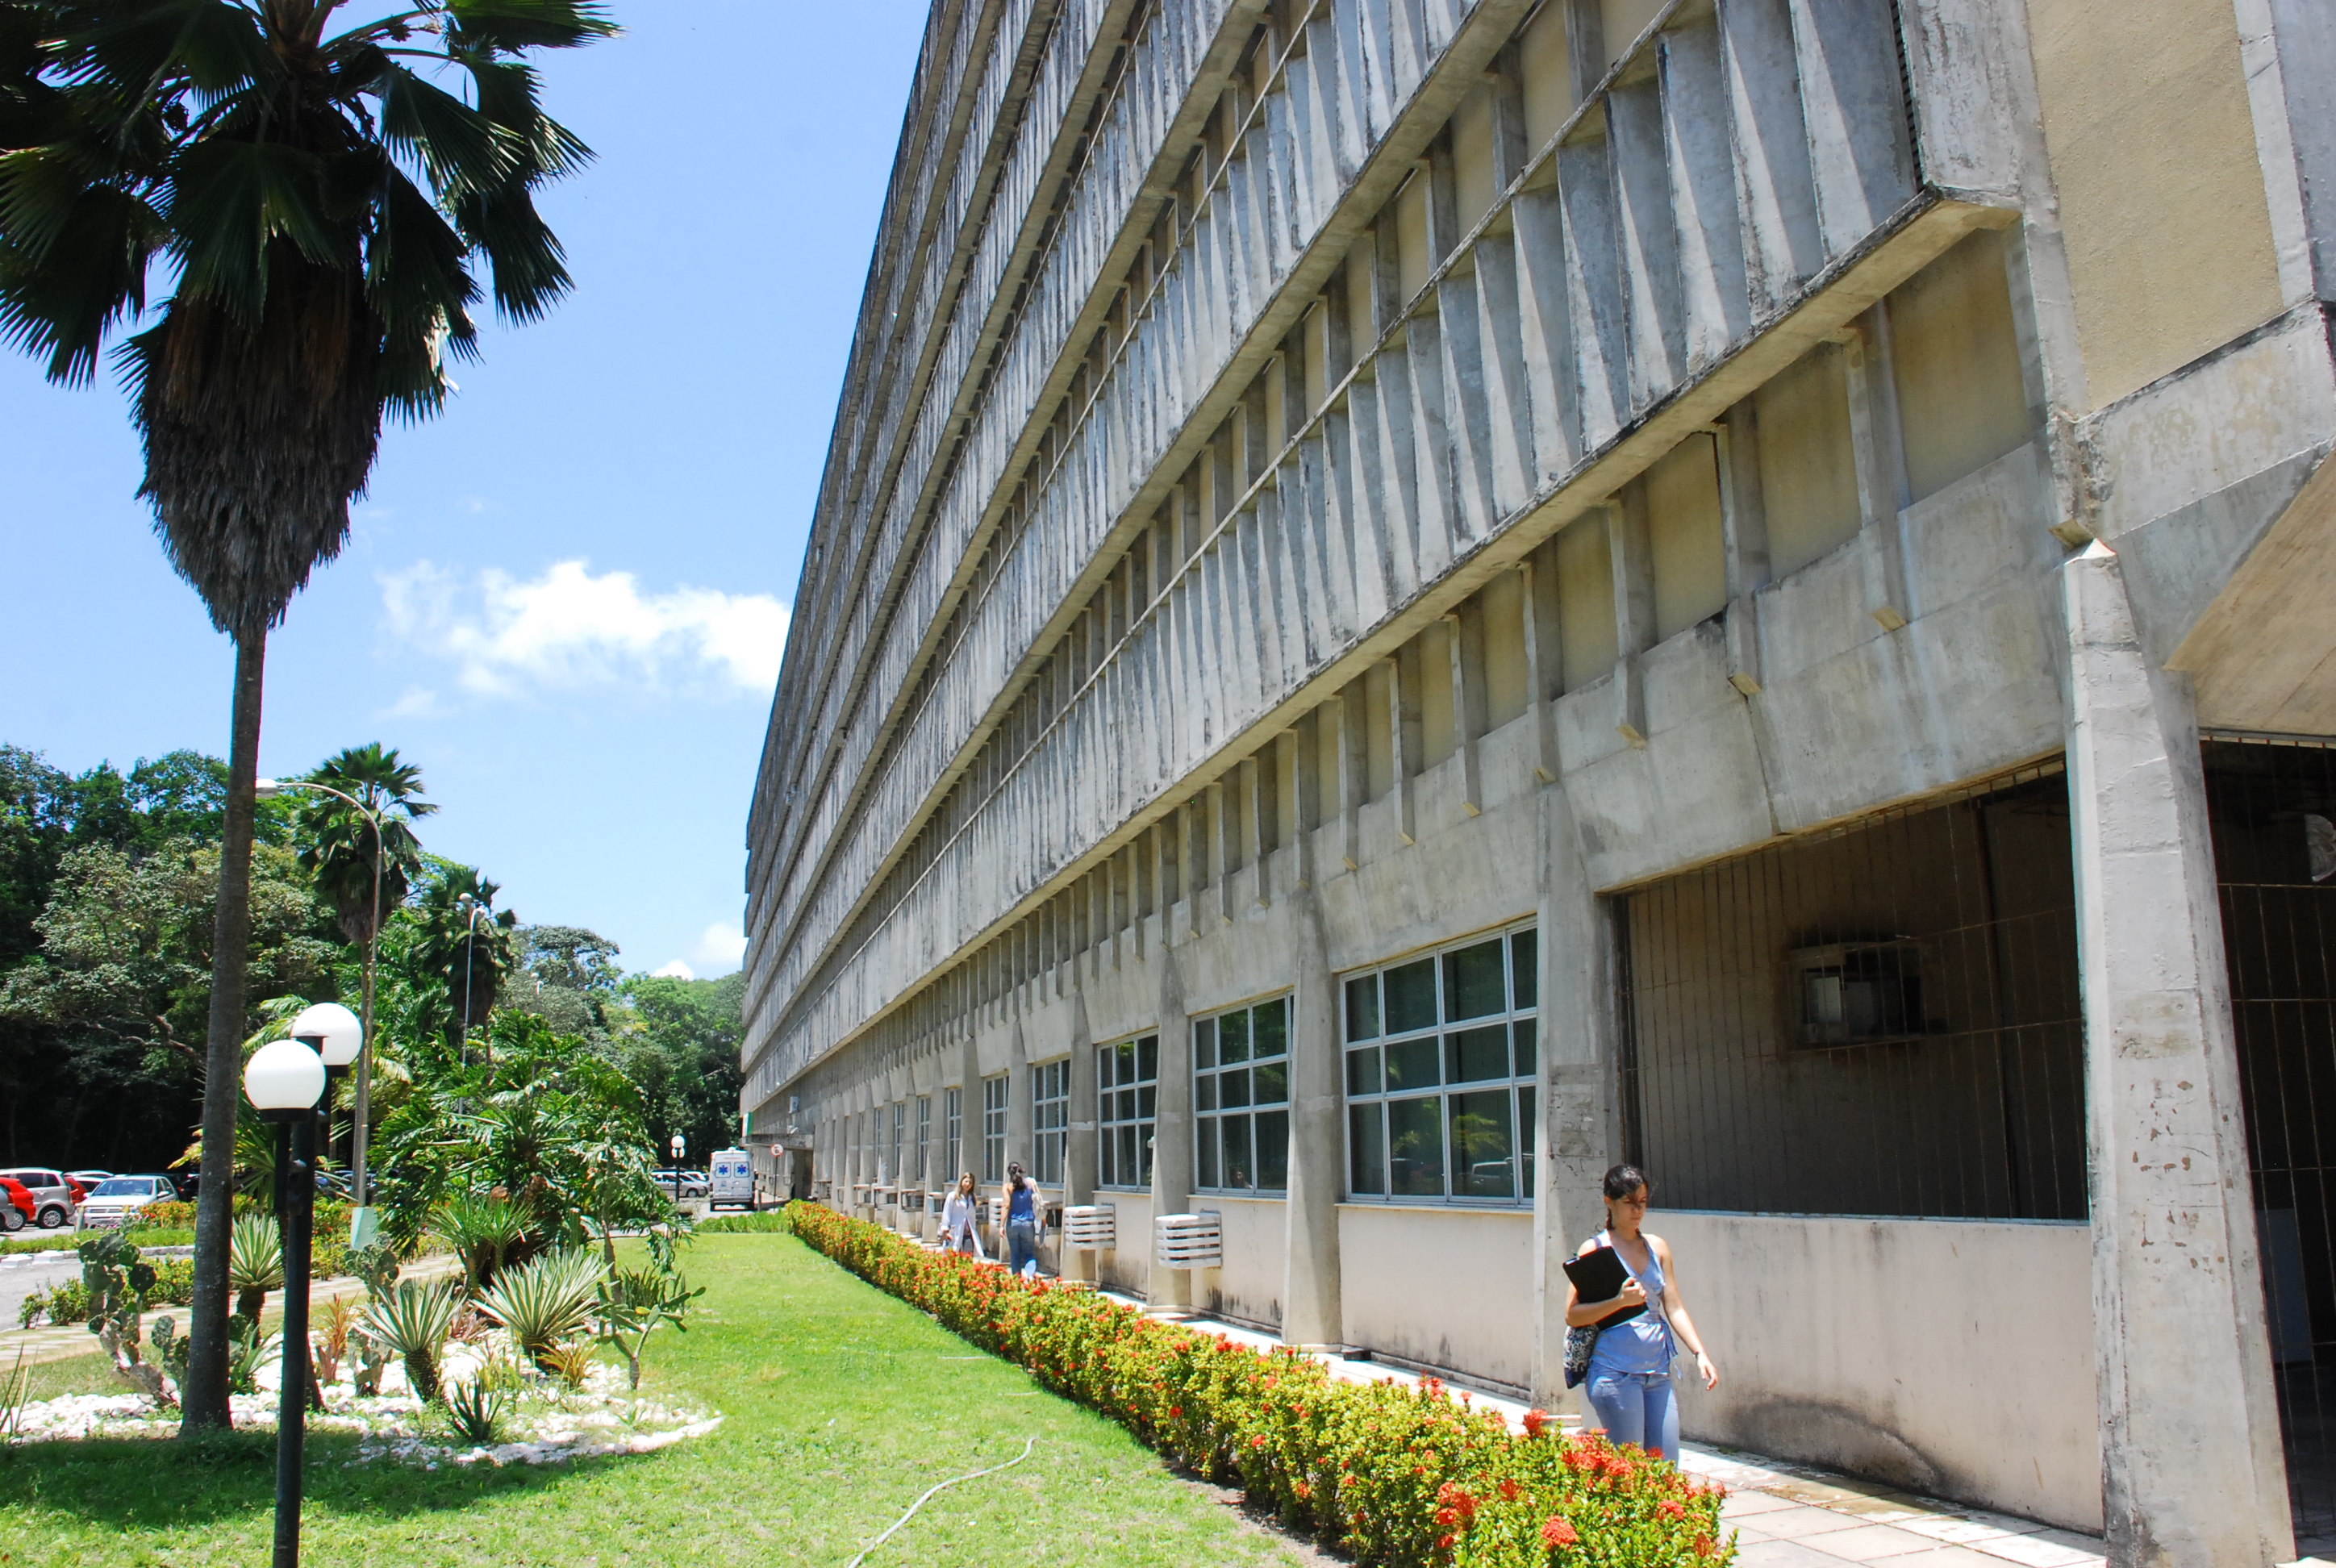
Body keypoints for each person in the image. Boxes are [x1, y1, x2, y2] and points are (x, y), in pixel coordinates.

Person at [1564, 1163, 1719, 1461]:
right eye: (1629, 1203)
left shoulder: (1657, 1247)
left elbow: (1673, 1306)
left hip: (1657, 1372)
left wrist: (1700, 1353)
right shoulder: (1594, 1250)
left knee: (1665, 1467)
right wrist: (1619, 1302)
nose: (1637, 1211)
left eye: (1643, 1203)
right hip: (1615, 1373)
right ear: (1609, 1202)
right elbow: (1573, 1315)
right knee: (1631, 1470)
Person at [1001, 1161, 1045, 1278]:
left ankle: (1017, 1281)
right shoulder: (1030, 1183)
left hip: (1013, 1224)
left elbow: (1006, 1206)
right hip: (1028, 1224)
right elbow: (1039, 1201)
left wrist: (1001, 1226)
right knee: (1028, 1254)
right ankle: (1031, 1276)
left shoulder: (1008, 1187)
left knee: (1015, 1254)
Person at [939, 1172, 985, 1259]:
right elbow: (946, 1213)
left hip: (968, 1232)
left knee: (968, 1257)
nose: (967, 1184)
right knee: (953, 1256)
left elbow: (972, 1216)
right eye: (966, 1181)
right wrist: (945, 1230)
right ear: (961, 1182)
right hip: (955, 1231)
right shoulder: (953, 1196)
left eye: (970, 1183)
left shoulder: (972, 1198)